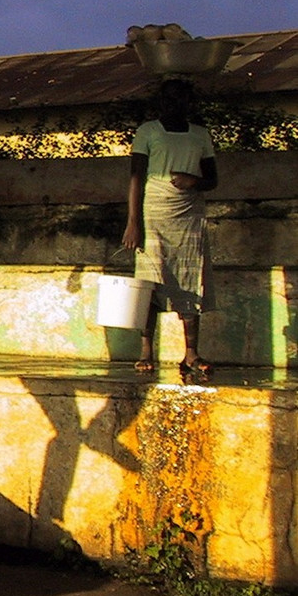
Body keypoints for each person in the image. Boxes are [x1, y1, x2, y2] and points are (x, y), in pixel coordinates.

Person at [122, 78, 218, 380]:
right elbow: (136, 177)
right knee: (149, 281)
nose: (176, 105)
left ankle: (191, 353)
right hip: (155, 212)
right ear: (162, 103)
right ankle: (146, 351)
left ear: (189, 103)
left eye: (182, 100)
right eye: (171, 99)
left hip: (188, 212)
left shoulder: (200, 135)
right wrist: (133, 222)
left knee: (191, 279)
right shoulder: (148, 131)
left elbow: (212, 179)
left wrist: (193, 180)